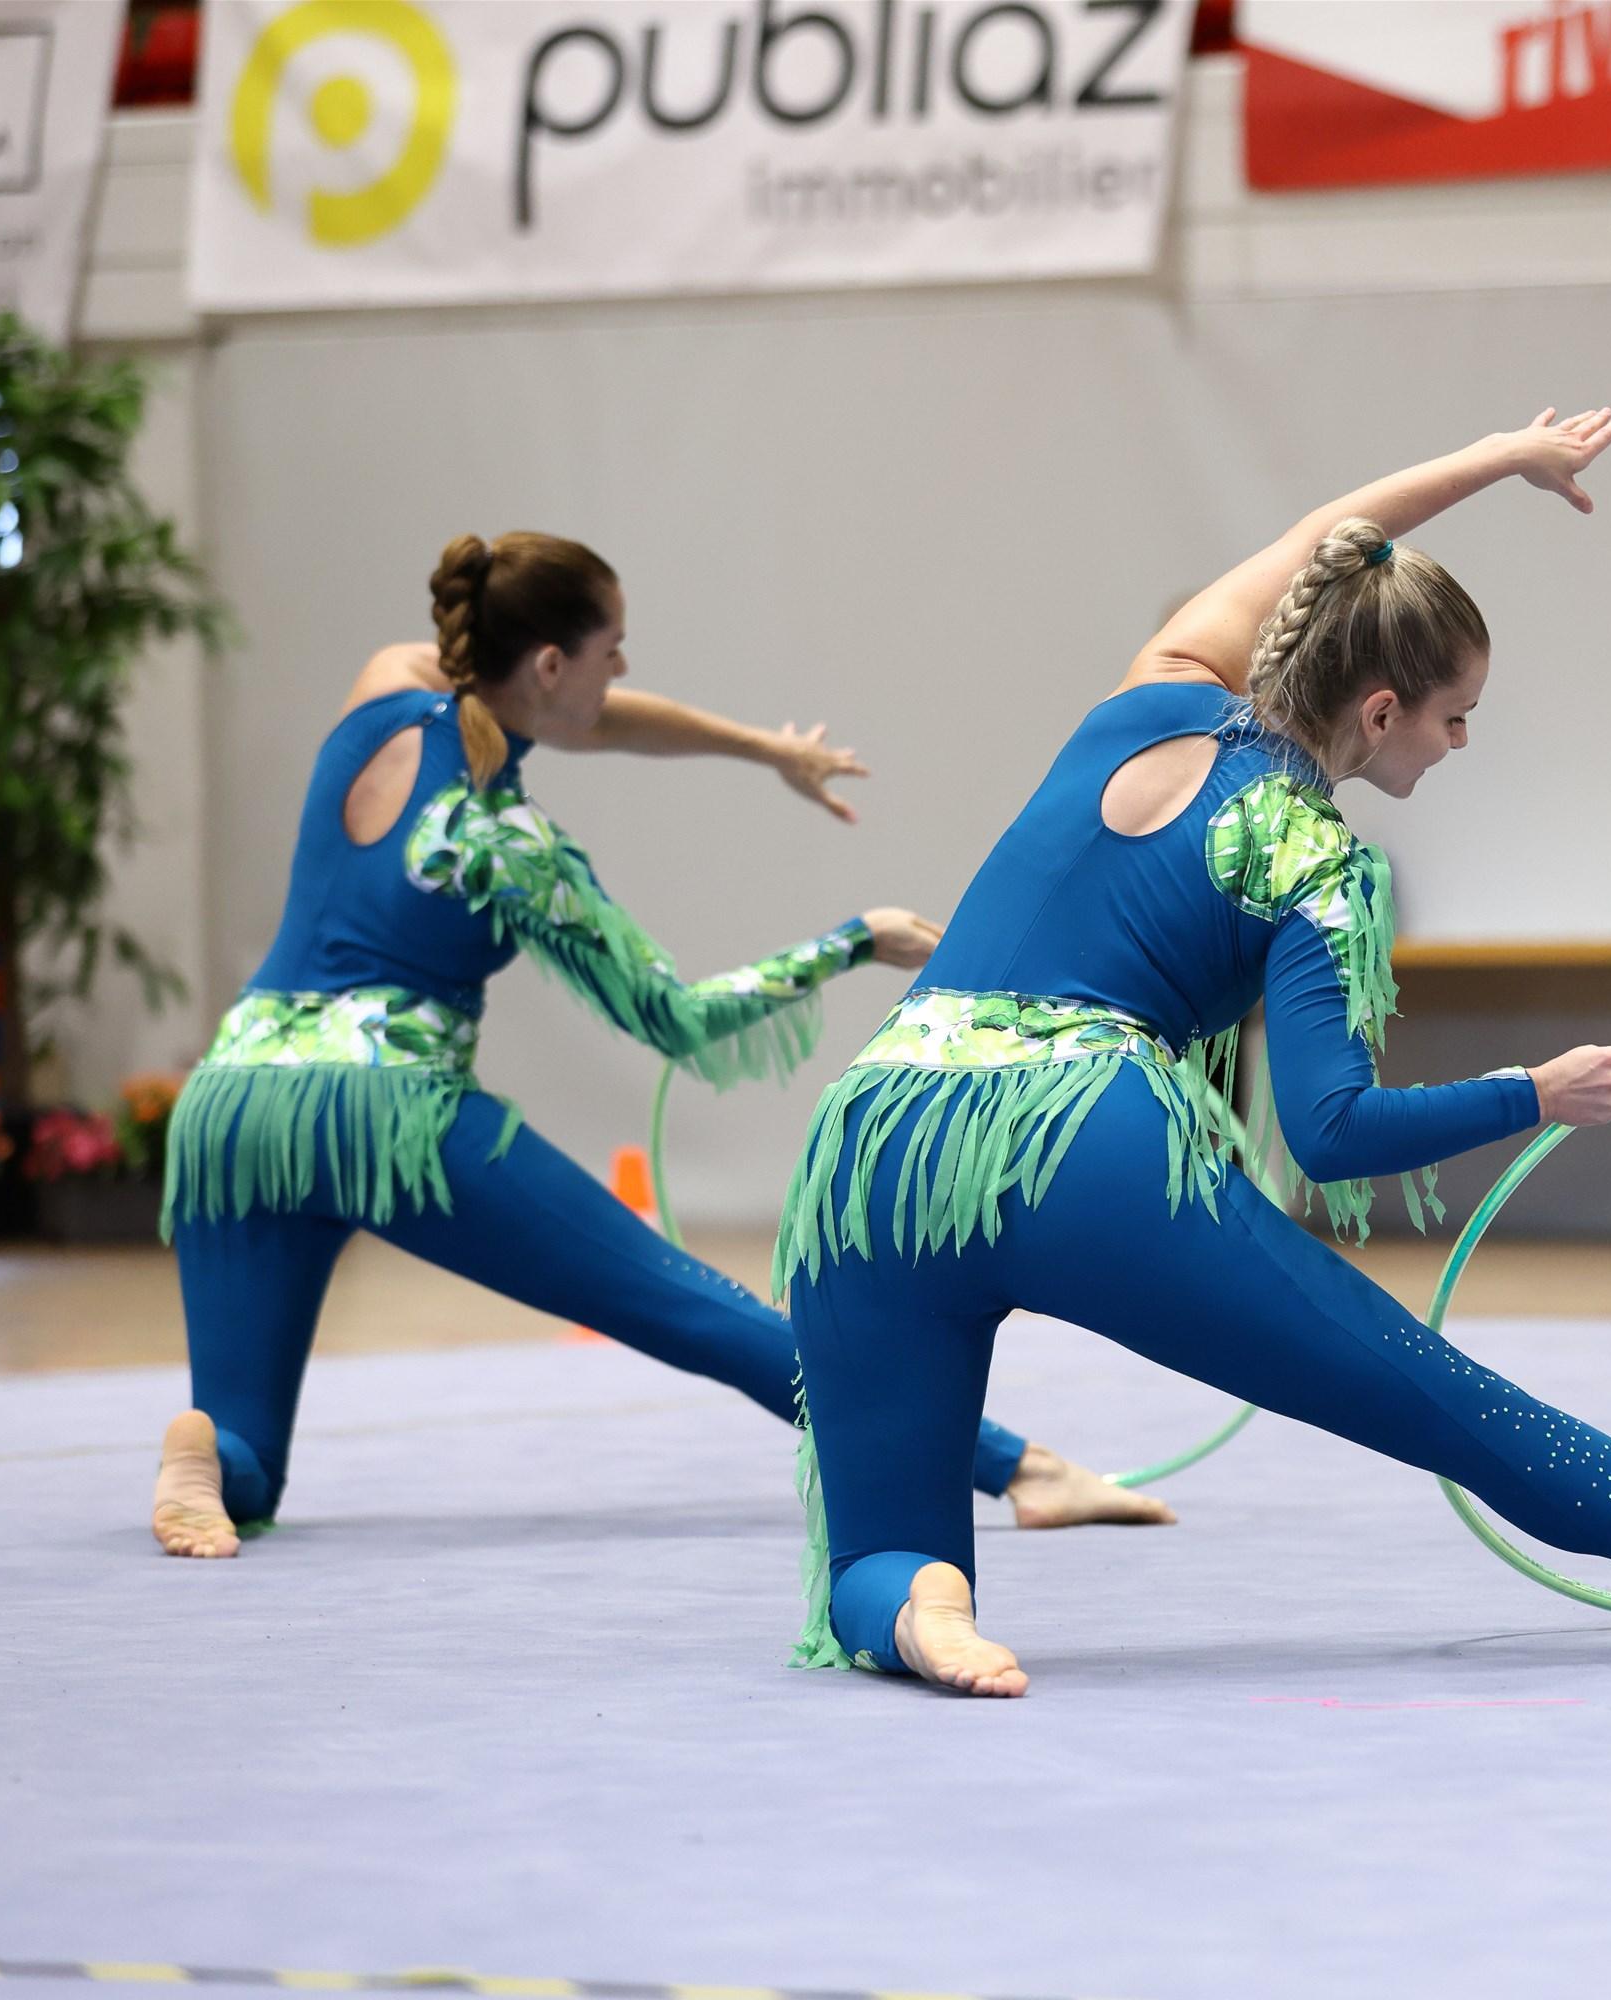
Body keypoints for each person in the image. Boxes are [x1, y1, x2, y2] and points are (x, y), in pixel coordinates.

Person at [776, 410, 1611, 1696]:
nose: (1460, 742)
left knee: (877, 1550)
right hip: (1072, 1137)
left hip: (870, 1136)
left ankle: (925, 1608)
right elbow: (1330, 1135)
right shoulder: (1318, 860)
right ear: (1379, 710)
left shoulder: (1150, 693)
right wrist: (1533, 1091)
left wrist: (1497, 459)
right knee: (1433, 1395)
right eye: (1456, 716)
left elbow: (1321, 537)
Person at [149, 532, 1171, 1558]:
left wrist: (763, 748)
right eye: (613, 651)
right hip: (383, 1109)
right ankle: (1022, 1469)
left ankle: (208, 1456)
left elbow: (585, 716)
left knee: (247, 1458)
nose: (624, 672)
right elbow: (677, 1017)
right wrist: (853, 941)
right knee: (690, 1306)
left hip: (229, 1104)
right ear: (552, 663)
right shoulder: (511, 843)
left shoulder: (386, 690)